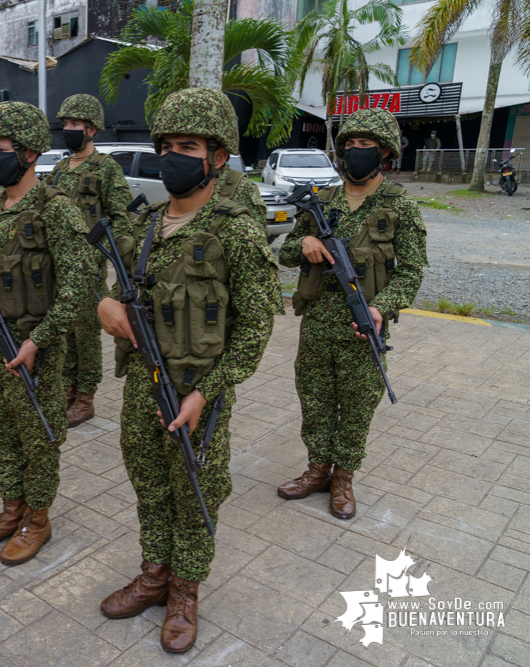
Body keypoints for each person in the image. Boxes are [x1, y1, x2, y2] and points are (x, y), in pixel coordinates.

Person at [96, 88, 282, 654]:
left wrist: (210, 391)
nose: (173, 156)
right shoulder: (144, 226)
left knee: (196, 491)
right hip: (142, 385)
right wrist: (105, 308)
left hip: (199, 392)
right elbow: (116, 294)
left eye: (189, 146)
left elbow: (256, 326)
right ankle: (154, 574)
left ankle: (184, 592)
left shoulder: (236, 229)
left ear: (218, 156)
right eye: (167, 145)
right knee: (149, 485)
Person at [0, 101, 93, 566]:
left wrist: (40, 339)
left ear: (29, 154)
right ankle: (11, 509)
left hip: (36, 347)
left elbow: (80, 284)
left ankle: (38, 519)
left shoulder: (57, 210)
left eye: (1, 149)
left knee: (38, 436)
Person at [277, 108, 427, 520]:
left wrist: (382, 307)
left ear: (384, 154)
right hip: (318, 322)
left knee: (358, 405)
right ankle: (317, 469)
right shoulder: (321, 201)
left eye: (367, 146)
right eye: (350, 145)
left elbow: (413, 271)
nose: (356, 152)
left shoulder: (399, 207)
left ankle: (343, 478)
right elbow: (288, 253)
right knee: (314, 398)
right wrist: (306, 240)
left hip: (364, 326)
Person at [44, 94, 132, 427]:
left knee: (85, 335)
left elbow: (121, 219)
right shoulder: (58, 169)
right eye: (65, 124)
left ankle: (85, 397)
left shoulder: (106, 169)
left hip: (89, 270)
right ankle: (68, 389)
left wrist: (111, 260)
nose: (68, 130)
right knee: (64, 332)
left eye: (75, 125)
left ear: (91, 129)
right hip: (58, 268)